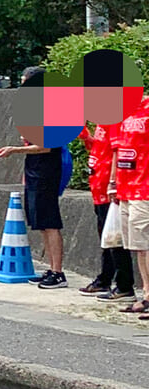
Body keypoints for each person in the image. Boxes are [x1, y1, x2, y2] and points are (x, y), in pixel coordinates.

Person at [0, 69, 66, 289]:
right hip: (34, 170)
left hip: (47, 170)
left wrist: (15, 149)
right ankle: (51, 268)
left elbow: (46, 146)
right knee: (41, 223)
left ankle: (58, 272)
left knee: (50, 222)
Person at [78, 121, 135, 300]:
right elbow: (99, 147)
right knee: (106, 235)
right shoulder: (102, 123)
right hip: (97, 184)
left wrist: (113, 182)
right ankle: (105, 278)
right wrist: (86, 137)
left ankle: (124, 285)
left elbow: (118, 151)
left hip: (108, 188)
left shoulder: (116, 121)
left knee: (115, 238)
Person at [108, 87, 149, 315]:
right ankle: (146, 294)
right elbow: (117, 150)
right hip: (125, 188)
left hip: (145, 188)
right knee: (138, 247)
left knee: (146, 243)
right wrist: (113, 182)